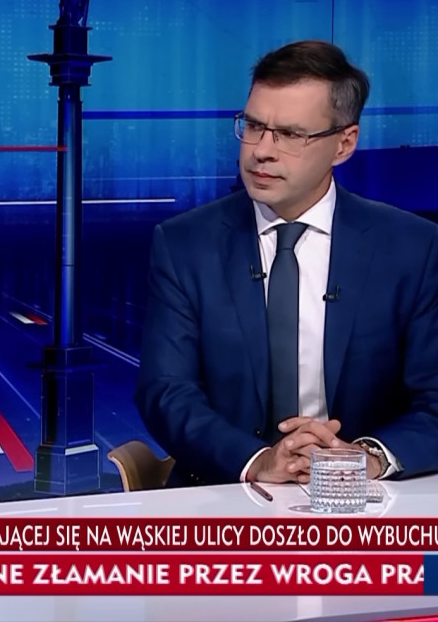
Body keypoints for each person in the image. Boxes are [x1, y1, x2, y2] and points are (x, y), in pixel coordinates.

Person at [135, 40, 438, 487]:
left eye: (291, 135)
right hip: (224, 495)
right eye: (254, 126)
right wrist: (257, 461)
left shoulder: (413, 247)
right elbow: (166, 392)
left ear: (344, 144)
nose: (262, 150)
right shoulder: (184, 245)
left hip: (364, 501)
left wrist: (367, 457)